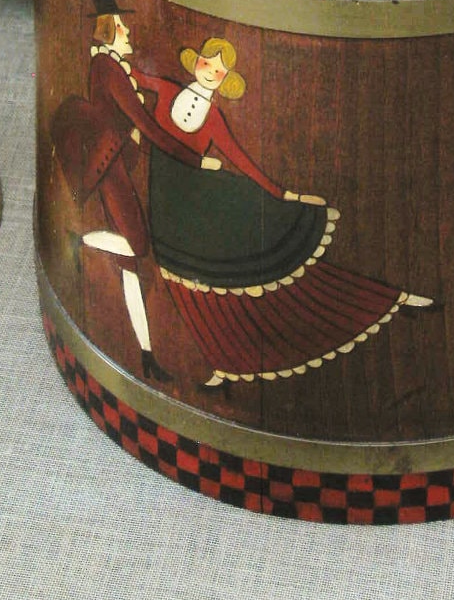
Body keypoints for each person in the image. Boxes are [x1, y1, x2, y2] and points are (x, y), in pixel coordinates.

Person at [132, 36, 433, 390]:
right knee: (184, 283)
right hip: (167, 200)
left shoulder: (213, 117)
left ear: (226, 77)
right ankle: (223, 363)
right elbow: (133, 76)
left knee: (255, 272)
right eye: (207, 62)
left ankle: (380, 301)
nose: (211, 71)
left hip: (204, 204)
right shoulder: (166, 89)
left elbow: (242, 161)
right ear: (195, 60)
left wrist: (282, 193)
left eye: (219, 68)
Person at [50, 0, 194, 383]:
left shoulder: (111, 66)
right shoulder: (108, 68)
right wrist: (189, 157)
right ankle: (77, 240)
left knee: (132, 265)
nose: (129, 31)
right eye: (122, 25)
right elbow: (143, 124)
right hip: (111, 172)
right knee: (137, 245)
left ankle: (146, 353)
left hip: (116, 165)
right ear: (110, 29)